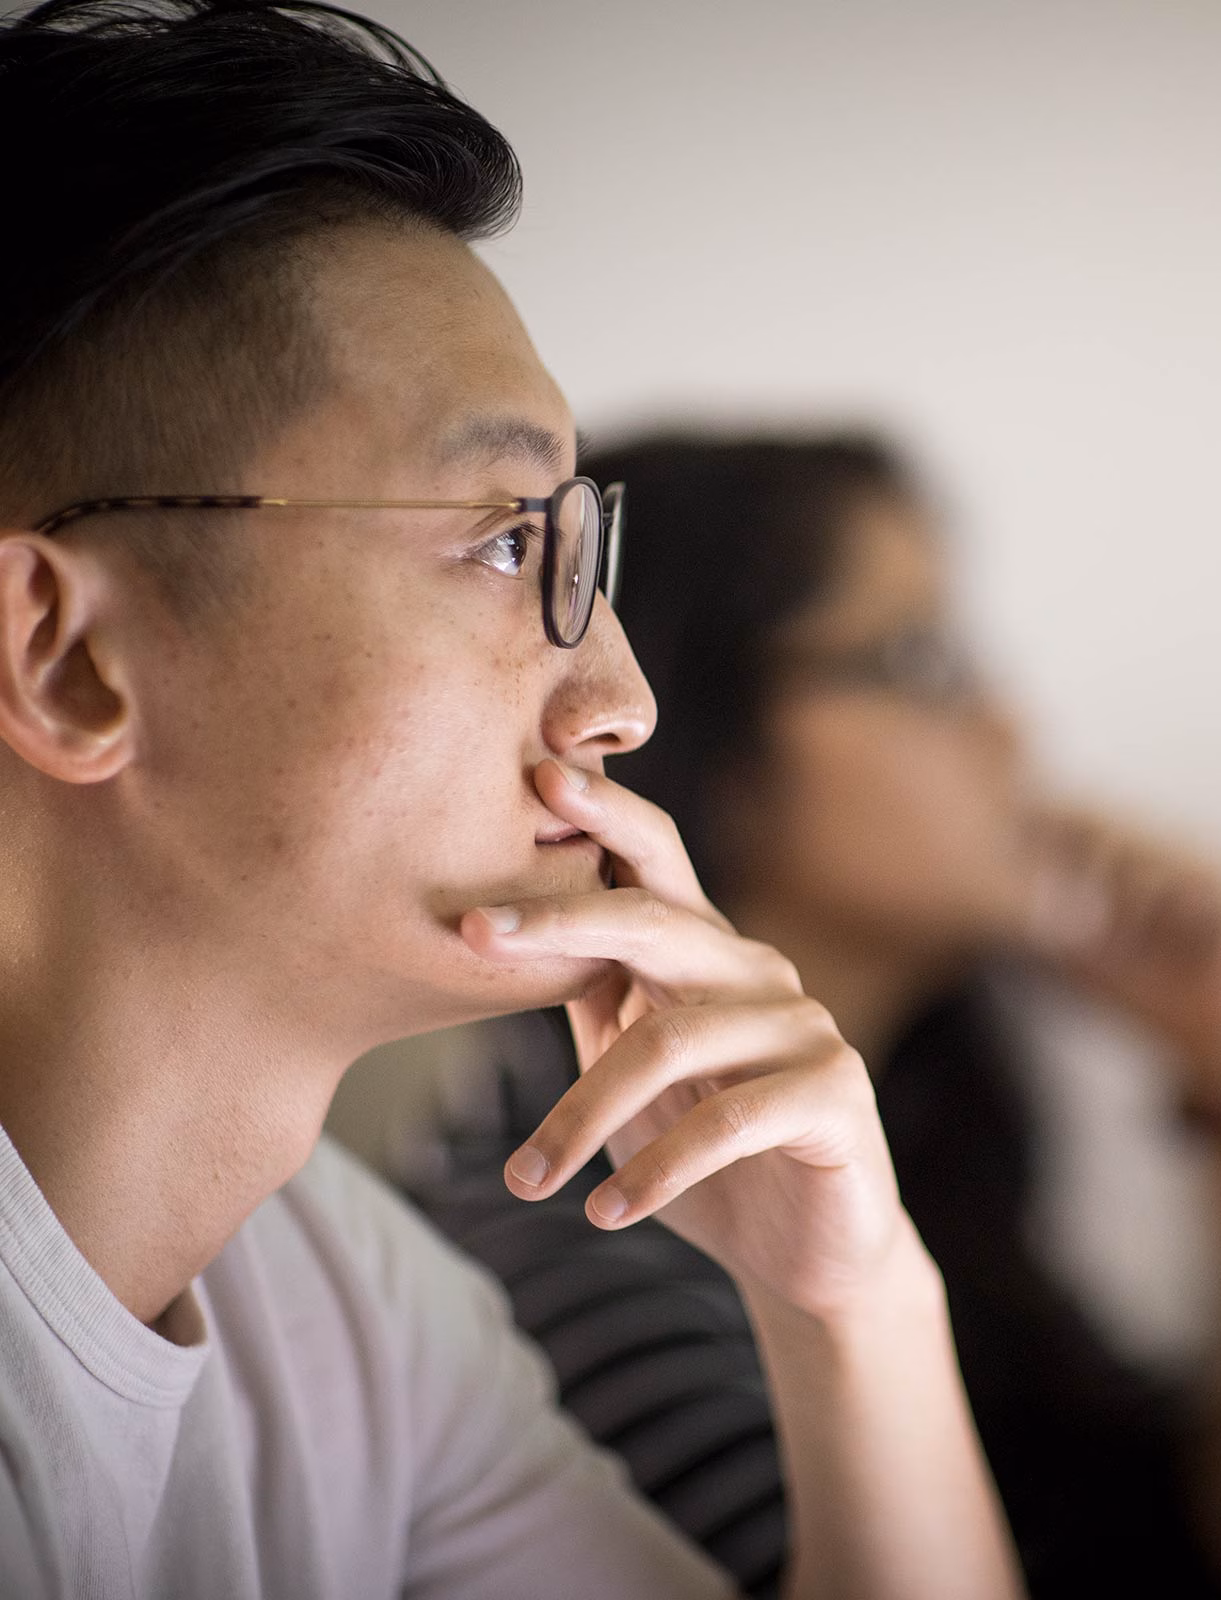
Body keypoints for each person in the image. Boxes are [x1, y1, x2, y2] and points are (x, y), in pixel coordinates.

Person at [0, 4, 1018, 1597]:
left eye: (578, 552)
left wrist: (853, 1306)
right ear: (68, 664)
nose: (622, 699)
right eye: (496, 544)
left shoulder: (349, 1305)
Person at [414, 435, 1221, 1600]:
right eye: (921, 659)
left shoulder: (924, 1138)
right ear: (709, 740)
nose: (1010, 730)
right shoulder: (596, 1217)